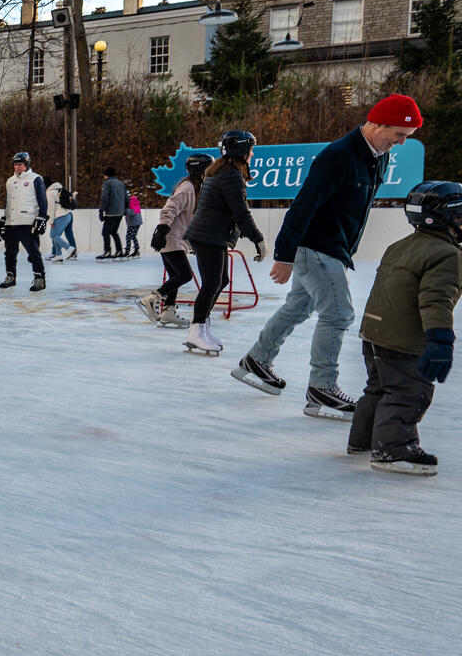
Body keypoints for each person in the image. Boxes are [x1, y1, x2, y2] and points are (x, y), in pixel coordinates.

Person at [233, 94, 419, 419]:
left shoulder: (378, 156)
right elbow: (303, 204)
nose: (400, 143)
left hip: (335, 247)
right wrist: (284, 254)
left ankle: (257, 359)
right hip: (317, 246)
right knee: (338, 314)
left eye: (406, 137)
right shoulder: (339, 156)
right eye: (399, 134)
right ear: (377, 124)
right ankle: (322, 387)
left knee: (298, 307)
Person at [347, 181, 462, 476]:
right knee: (409, 391)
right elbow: (436, 299)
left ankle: (362, 441)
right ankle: (394, 449)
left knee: (378, 388)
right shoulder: (447, 254)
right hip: (403, 337)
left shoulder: (399, 246)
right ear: (446, 218)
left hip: (374, 332)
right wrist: (439, 339)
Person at [181, 131, 267, 355]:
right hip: (208, 236)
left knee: (220, 280)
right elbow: (240, 212)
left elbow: (232, 211)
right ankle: (196, 331)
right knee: (211, 283)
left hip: (210, 235)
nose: (252, 153)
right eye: (250, 149)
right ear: (241, 150)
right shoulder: (230, 175)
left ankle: (201, 327)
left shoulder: (222, 171)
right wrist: (258, 239)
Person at [139, 153, 214, 329]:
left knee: (175, 276)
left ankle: (168, 313)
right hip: (171, 239)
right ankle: (153, 298)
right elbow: (169, 208)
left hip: (177, 240)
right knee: (185, 275)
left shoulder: (196, 187)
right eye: (209, 169)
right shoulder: (187, 187)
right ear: (200, 169)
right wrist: (163, 229)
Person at [0, 151, 47, 291]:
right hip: (11, 223)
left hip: (28, 222)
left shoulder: (35, 179)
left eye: (20, 164)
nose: (17, 167)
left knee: (33, 253)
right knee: (9, 253)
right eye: (15, 164)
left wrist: (42, 216)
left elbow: (42, 200)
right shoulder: (10, 181)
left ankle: (39, 278)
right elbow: (8, 202)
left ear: (26, 165)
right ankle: (10, 276)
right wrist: (4, 218)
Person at [97, 167, 127, 259]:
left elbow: (105, 197)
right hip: (120, 212)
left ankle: (107, 252)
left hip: (111, 212)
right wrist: (124, 209)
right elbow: (127, 198)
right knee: (114, 232)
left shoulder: (107, 183)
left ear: (106, 175)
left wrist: (102, 210)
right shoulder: (121, 183)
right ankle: (119, 251)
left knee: (105, 232)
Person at [46, 183, 77, 262]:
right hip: (68, 214)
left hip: (59, 216)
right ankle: (58, 256)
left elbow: (50, 208)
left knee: (53, 235)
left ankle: (70, 249)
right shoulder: (60, 189)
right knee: (57, 236)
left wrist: (51, 221)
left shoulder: (49, 192)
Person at [124, 193, 143, 257]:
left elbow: (131, 212)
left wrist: (124, 211)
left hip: (133, 222)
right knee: (132, 236)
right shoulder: (135, 201)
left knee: (129, 236)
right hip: (137, 222)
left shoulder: (131, 202)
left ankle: (128, 251)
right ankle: (136, 250)